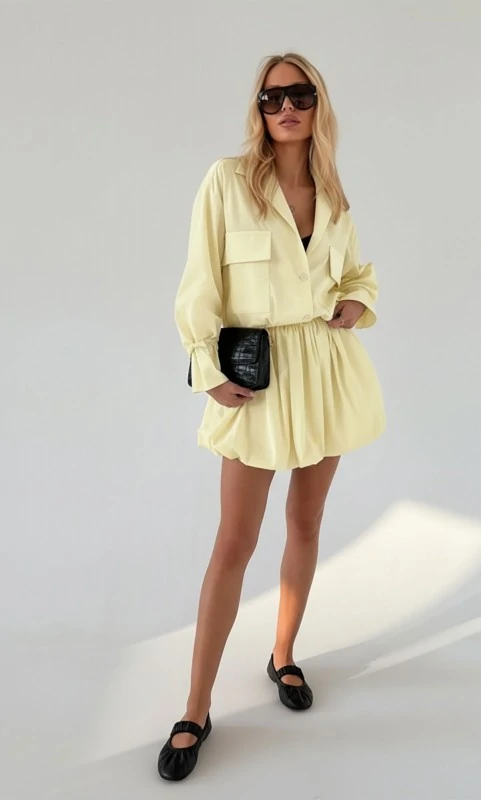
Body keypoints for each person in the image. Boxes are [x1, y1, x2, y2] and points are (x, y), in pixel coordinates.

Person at [157, 52, 386, 782]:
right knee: (234, 541)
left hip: (324, 369)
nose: (286, 107)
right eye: (271, 96)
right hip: (257, 377)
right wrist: (207, 367)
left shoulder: (333, 194)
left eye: (300, 94)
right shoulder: (228, 182)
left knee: (306, 524)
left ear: (319, 104)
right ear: (258, 109)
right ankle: (196, 707)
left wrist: (357, 303)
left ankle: (283, 654)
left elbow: (358, 273)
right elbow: (199, 282)